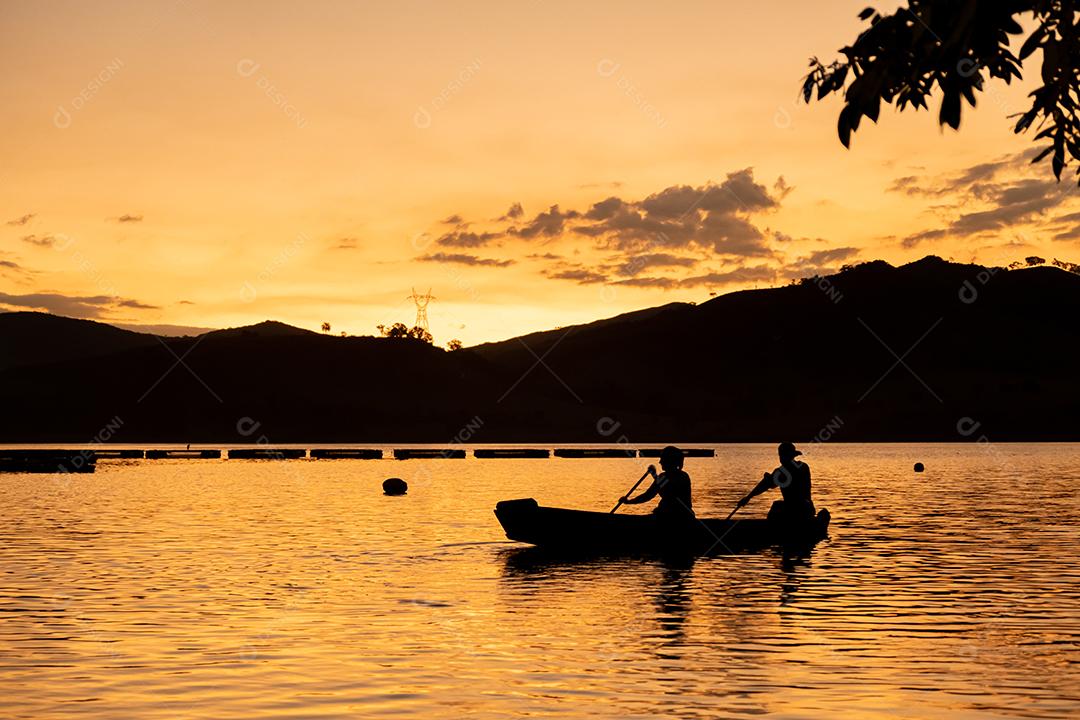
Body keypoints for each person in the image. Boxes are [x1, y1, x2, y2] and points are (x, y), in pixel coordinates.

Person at [737, 442, 815, 522]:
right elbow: (769, 484)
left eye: (782, 456)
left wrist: (748, 497)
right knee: (779, 504)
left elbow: (765, 485)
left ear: (787, 456)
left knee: (777, 506)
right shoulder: (803, 466)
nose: (780, 458)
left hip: (796, 511)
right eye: (780, 456)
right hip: (808, 508)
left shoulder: (782, 472)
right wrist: (769, 479)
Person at [620, 445, 694, 519]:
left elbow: (670, 494)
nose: (660, 462)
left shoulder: (682, 477)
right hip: (663, 515)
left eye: (662, 459)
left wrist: (655, 476)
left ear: (670, 460)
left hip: (679, 517)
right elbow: (648, 495)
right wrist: (628, 502)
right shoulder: (663, 476)